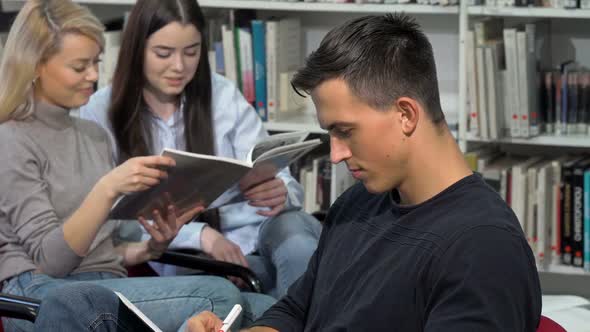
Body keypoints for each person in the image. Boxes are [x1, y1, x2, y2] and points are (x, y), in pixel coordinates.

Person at [185, 13, 543, 332]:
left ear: (406, 115)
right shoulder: (357, 203)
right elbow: (298, 309)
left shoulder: (483, 250)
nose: (336, 154)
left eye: (345, 131)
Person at [0, 1, 273, 331]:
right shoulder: (11, 139)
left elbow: (107, 250)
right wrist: (107, 188)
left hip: (105, 285)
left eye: (96, 63)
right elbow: (50, 262)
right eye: (79, 66)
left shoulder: (93, 135)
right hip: (44, 297)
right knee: (217, 296)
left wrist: (151, 246)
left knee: (269, 309)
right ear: (36, 66)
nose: (93, 76)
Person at [77, 0, 321, 298]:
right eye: (163, 53)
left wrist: (281, 192)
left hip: (256, 234)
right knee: (268, 288)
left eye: (191, 52)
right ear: (135, 50)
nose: (179, 66)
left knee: (299, 244)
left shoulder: (221, 94)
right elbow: (108, 218)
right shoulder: (100, 111)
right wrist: (201, 235)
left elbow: (279, 175)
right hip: (179, 258)